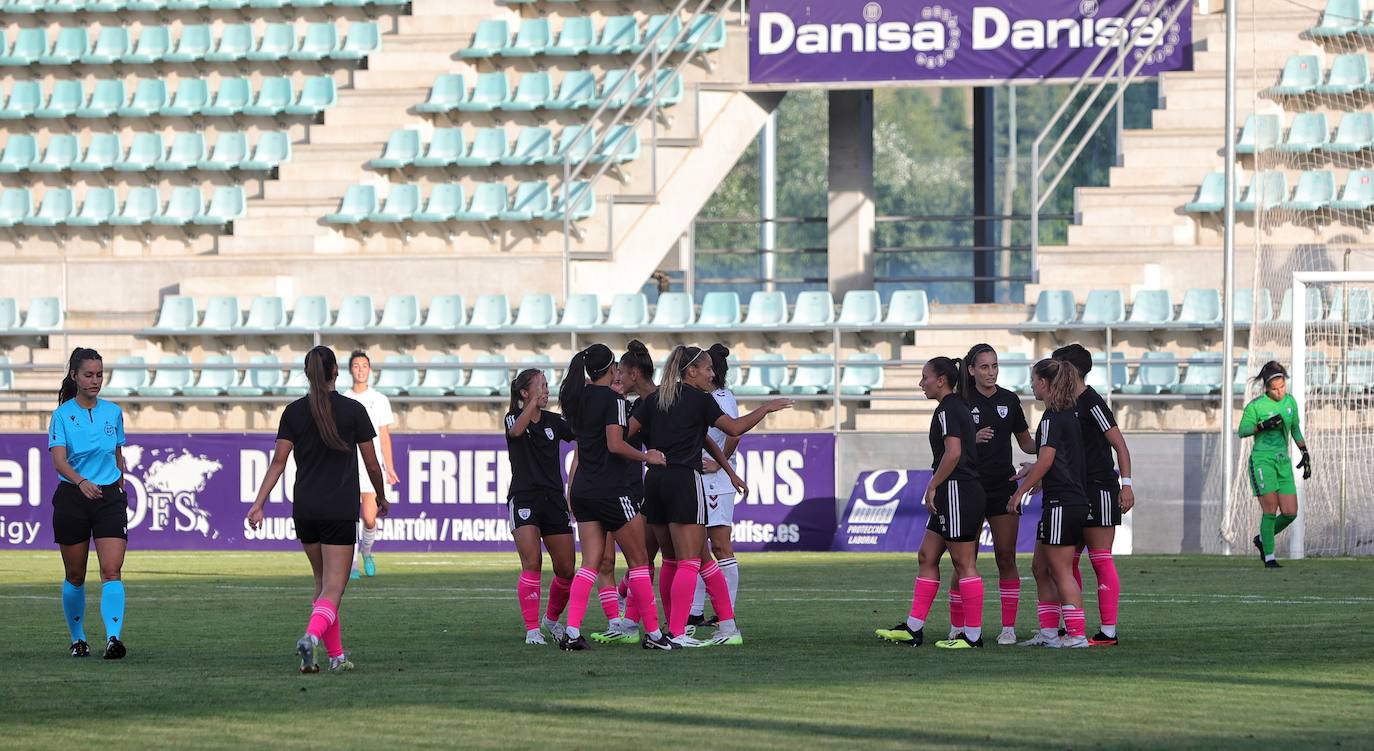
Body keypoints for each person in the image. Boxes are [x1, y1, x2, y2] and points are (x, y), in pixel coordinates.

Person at [630, 345, 792, 647]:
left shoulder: (656, 399)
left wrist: (649, 452)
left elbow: (627, 433)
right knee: (689, 561)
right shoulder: (699, 400)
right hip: (683, 481)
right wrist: (766, 408)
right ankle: (677, 634)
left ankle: (725, 627)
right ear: (691, 371)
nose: (713, 374)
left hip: (655, 482)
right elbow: (734, 427)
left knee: (681, 560)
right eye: (707, 369)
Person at [247, 346, 389, 673]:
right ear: (336, 371)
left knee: (322, 583)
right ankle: (310, 638)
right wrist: (380, 496)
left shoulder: (293, 412)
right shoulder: (353, 410)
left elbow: (278, 462)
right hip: (338, 509)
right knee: (335, 588)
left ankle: (336, 657)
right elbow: (371, 462)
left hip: (305, 510)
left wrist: (259, 503)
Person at [557, 343, 674, 651]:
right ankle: (654, 635)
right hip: (611, 491)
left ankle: (571, 633)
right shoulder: (614, 400)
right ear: (610, 369)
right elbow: (615, 444)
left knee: (589, 564)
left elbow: (585, 448)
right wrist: (647, 457)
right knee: (639, 562)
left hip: (584, 489)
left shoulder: (578, 398)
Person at [876, 356, 988, 649]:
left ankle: (972, 636)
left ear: (941, 380)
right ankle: (913, 629)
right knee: (927, 556)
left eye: (924, 377)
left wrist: (933, 485)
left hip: (957, 491)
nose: (920, 383)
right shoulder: (953, 407)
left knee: (965, 564)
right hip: (956, 491)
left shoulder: (949, 408)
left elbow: (953, 453)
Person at [48, 347, 129, 660]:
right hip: (73, 498)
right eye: (88, 375)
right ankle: (78, 639)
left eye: (99, 374)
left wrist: (119, 486)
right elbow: (59, 460)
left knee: (111, 571)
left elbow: (117, 454)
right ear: (74, 376)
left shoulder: (113, 412)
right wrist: (81, 482)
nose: (95, 380)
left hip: (108, 498)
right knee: (76, 576)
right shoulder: (62, 415)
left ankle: (113, 639)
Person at [1053, 344, 1135, 646]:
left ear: (1070, 369)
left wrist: (1126, 484)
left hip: (1098, 488)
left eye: (1057, 366)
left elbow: (1120, 445)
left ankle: (1108, 632)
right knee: (1067, 561)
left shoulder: (1091, 403)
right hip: (1071, 491)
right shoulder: (1063, 404)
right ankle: (1072, 626)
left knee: (1099, 559)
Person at [954, 343, 1036, 646]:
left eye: (995, 366)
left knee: (1005, 556)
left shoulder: (1009, 400)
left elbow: (1026, 443)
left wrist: (1054, 446)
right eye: (985, 367)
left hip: (1003, 487)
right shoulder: (960, 400)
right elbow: (948, 445)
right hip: (969, 486)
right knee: (965, 559)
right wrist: (971, 439)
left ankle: (1008, 628)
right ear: (972, 369)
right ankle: (958, 626)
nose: (991, 372)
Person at [1012, 359, 1091, 649]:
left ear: (1045, 383)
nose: (1032, 385)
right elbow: (1057, 461)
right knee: (1040, 567)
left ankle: (1076, 635)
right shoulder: (1063, 415)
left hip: (1064, 503)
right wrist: (1032, 473)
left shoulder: (1053, 418)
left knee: (1060, 570)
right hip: (1063, 500)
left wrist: (1020, 492)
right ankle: (1048, 633)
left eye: (1034, 380)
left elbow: (1046, 460)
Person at [591, 341, 659, 645]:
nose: (617, 382)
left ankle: (637, 622)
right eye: (613, 377)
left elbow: (620, 441)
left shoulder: (635, 408)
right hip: (602, 490)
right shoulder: (607, 407)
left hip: (631, 492)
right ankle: (621, 622)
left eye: (621, 376)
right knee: (604, 561)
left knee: (641, 560)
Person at [504, 367, 577, 645]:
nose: (547, 390)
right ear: (525, 392)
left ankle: (552, 619)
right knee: (532, 562)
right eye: (541, 386)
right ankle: (532, 629)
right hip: (524, 498)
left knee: (566, 570)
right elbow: (516, 431)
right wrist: (532, 404)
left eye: (548, 386)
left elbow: (581, 435)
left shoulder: (554, 421)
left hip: (553, 500)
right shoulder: (513, 417)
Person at [688, 343, 741, 631]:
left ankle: (726, 612)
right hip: (697, 479)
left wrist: (721, 464)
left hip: (716, 483)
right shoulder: (699, 398)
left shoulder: (722, 397)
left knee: (720, 547)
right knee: (696, 548)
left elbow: (735, 433)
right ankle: (695, 611)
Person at [1239, 360, 1309, 569]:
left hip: (1282, 462)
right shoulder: (1256, 406)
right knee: (1270, 509)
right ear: (1266, 388)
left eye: (1282, 387)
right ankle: (1269, 556)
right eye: (1274, 389)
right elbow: (1243, 431)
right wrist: (1263, 425)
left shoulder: (1290, 403)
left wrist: (1304, 452)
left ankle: (1262, 538)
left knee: (1290, 512)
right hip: (1262, 461)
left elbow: (1295, 428)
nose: (1279, 392)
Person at [341, 351, 398, 580]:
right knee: (348, 518)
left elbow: (384, 436)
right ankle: (352, 563)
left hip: (371, 466)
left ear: (370, 370)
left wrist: (390, 467)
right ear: (350, 370)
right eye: (356, 365)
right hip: (347, 466)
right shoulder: (343, 398)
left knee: (369, 518)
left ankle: (367, 552)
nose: (361, 369)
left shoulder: (380, 400)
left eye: (364, 365)